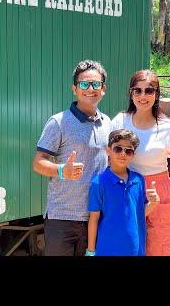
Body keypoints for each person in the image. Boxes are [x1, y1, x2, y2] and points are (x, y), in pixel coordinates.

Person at [111, 69, 170, 256]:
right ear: (131, 93)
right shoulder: (120, 121)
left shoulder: (167, 128)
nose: (143, 96)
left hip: (159, 191)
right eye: (138, 90)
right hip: (128, 189)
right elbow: (108, 157)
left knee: (160, 247)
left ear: (156, 94)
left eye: (149, 91)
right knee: (127, 245)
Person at [32, 60, 111, 256]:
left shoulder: (108, 123)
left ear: (103, 89)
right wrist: (62, 170)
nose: (90, 89)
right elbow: (38, 163)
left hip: (96, 216)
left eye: (95, 84)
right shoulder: (58, 122)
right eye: (84, 84)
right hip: (62, 218)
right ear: (74, 89)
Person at [86, 129, 160, 256]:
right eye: (118, 149)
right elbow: (94, 218)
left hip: (136, 249)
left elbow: (139, 214)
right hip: (108, 250)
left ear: (133, 155)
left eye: (128, 151)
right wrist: (91, 251)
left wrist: (154, 203)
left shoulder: (138, 180)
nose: (123, 154)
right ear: (108, 150)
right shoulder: (99, 183)